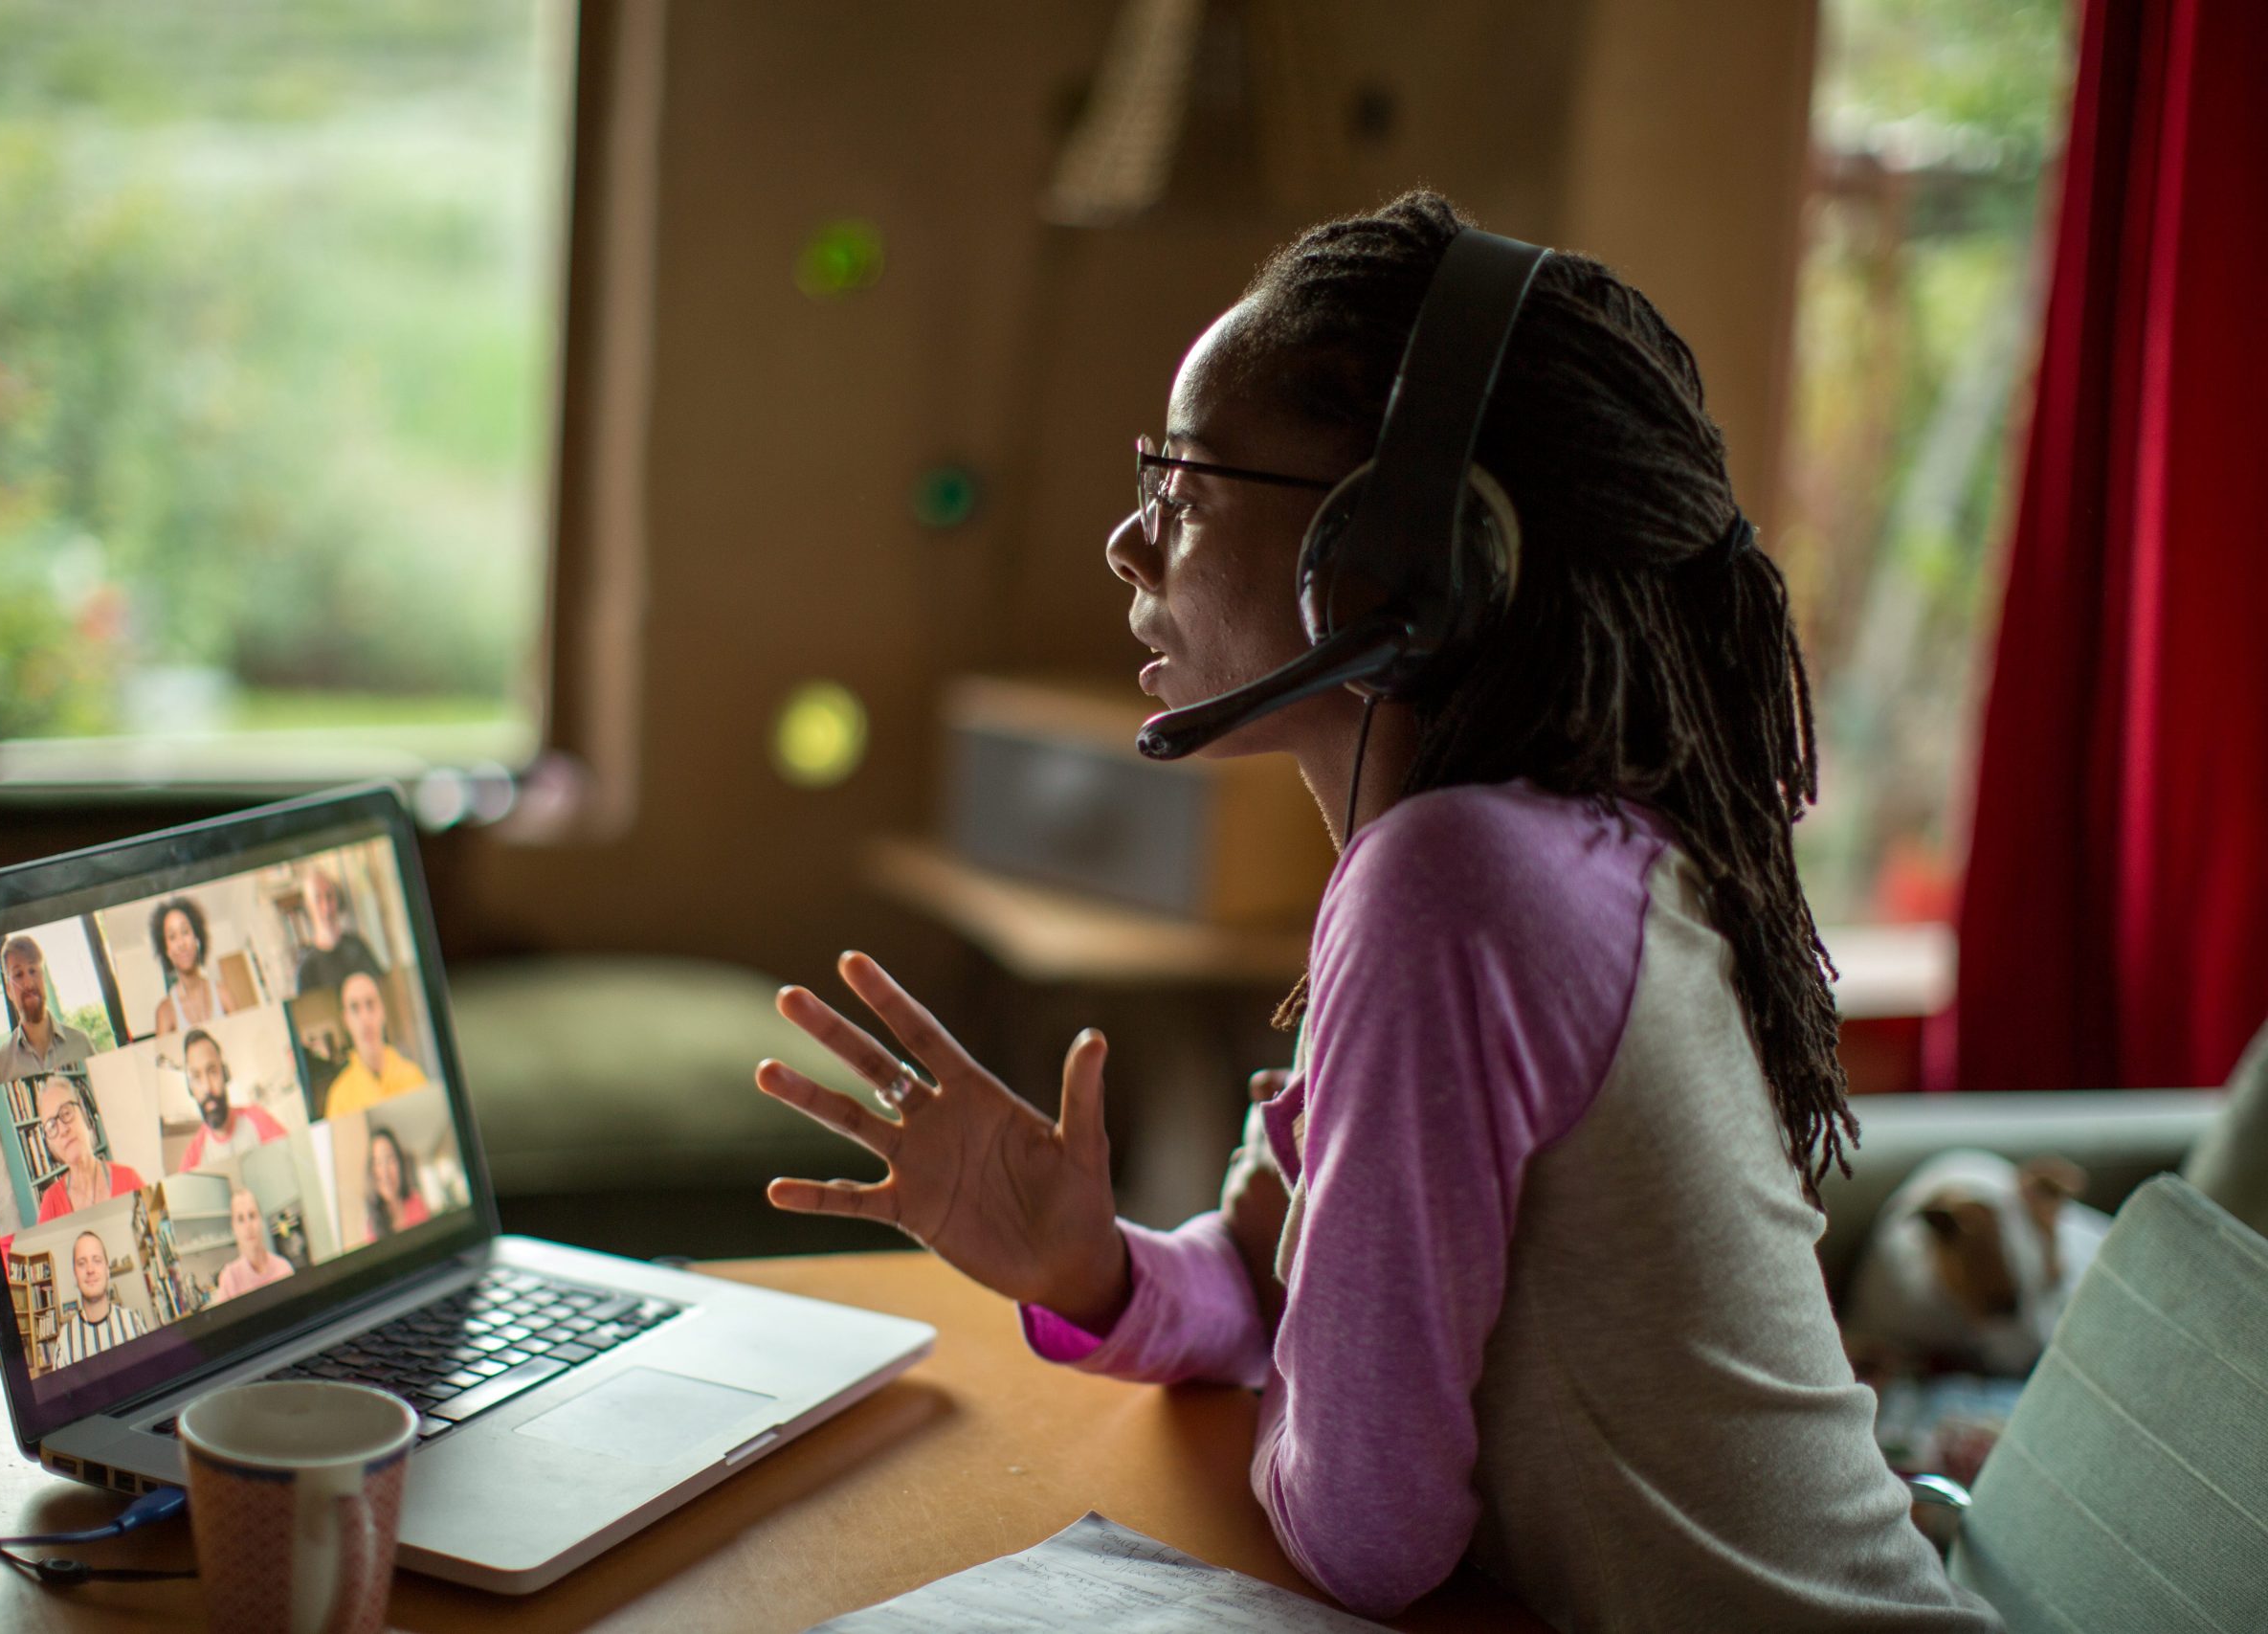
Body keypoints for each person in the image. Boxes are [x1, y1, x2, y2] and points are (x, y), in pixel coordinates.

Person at [752, 194, 1998, 1629]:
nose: (1124, 543)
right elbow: (1284, 1284)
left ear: (1400, 554)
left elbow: (1366, 1526)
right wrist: (1092, 1266)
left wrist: (1300, 1342)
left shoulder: (1457, 883)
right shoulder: (1560, 846)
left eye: (1182, 483)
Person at [32, 1073, 145, 1222]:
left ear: (86, 1114)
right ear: (50, 1146)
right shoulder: (50, 1203)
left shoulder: (129, 1179)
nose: (63, 1130)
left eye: (66, 1113)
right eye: (51, 1126)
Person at [174, 1029, 289, 1172]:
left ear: (225, 1075)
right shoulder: (192, 1158)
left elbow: (293, 1161)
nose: (207, 1087)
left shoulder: (257, 1117)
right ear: (190, 1088)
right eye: (197, 1077)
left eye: (212, 1072)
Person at [321, 969, 427, 1119]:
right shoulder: (339, 1098)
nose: (365, 1018)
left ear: (382, 1011)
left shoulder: (414, 1077)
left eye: (370, 1004)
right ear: (346, 1020)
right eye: (355, 1008)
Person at [0, 935, 91, 1085]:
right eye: (18, 974)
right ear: (9, 990)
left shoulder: (81, 1044)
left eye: (33, 970)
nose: (28, 983)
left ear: (44, 978)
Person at [52, 1229, 149, 1368]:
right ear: (75, 1274)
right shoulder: (66, 1339)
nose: (90, 1269)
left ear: (107, 1270)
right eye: (81, 1263)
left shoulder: (132, 1322)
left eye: (97, 1260)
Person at [294, 868, 384, 997]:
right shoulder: (307, 970)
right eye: (317, 899)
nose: (326, 907)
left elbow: (381, 987)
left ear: (337, 900)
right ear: (308, 906)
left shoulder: (358, 945)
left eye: (329, 896)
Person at [147, 897, 221, 1035]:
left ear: (197, 940)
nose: (181, 943)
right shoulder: (165, 1012)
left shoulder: (223, 993)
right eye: (172, 937)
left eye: (185, 931)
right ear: (167, 951)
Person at [211, 1186, 296, 1301]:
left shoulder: (284, 1269)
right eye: (241, 1219)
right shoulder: (229, 1279)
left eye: (252, 1215)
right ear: (234, 1227)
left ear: (261, 1220)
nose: (248, 1226)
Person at [363, 1127, 431, 1242]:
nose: (385, 1172)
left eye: (390, 1159)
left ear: (400, 1163)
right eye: (378, 1162)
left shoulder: (416, 1202)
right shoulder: (371, 1227)